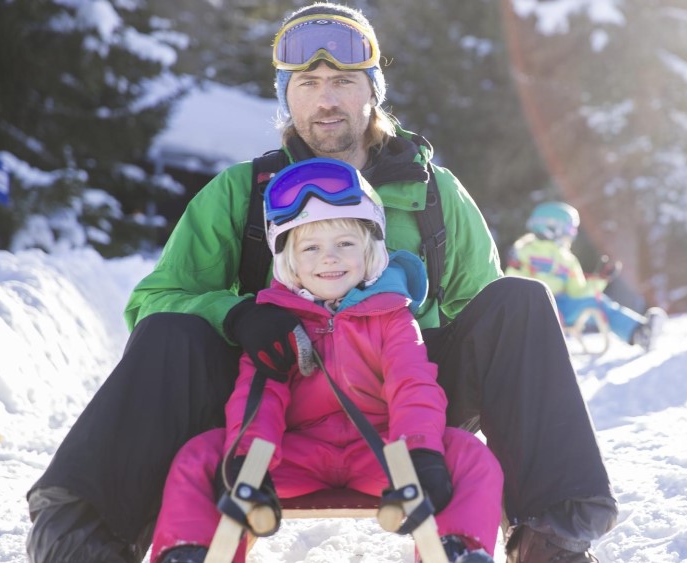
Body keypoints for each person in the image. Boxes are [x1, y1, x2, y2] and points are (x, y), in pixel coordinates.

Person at [26, 4, 617, 563]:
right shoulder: (243, 191)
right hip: (272, 394)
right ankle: (84, 537)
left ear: (372, 92)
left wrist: (401, 351)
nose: (325, 100)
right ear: (286, 97)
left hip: (406, 391)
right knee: (169, 332)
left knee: (520, 300)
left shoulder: (434, 194)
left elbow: (483, 318)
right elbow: (154, 301)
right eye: (306, 85)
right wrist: (235, 314)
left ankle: (553, 539)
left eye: (343, 82)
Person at [151, 158, 502, 563]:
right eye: (311, 248)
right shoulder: (276, 321)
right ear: (290, 262)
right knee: (202, 454)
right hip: (293, 453)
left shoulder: (391, 315)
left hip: (381, 451)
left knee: (468, 454)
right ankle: (191, 550)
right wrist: (249, 459)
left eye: (345, 244)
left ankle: (457, 547)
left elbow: (412, 383)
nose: (329, 259)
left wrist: (420, 452)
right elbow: (260, 395)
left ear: (371, 251)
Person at [506, 201, 666, 350]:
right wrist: (515, 266)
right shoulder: (525, 251)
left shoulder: (567, 259)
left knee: (597, 302)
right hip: (531, 307)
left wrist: (601, 279)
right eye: (569, 229)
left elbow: (578, 291)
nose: (572, 235)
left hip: (562, 307)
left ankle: (639, 333)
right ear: (551, 227)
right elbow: (511, 284)